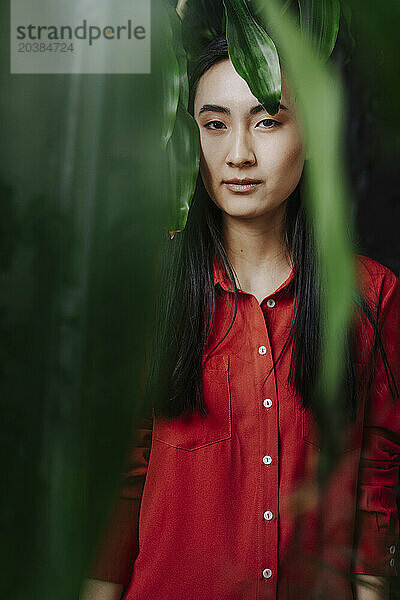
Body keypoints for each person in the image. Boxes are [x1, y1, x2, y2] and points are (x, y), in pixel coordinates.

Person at [80, 34, 400, 600]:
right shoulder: (148, 290)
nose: (240, 154)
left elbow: (377, 484)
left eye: (268, 120)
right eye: (215, 124)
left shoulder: (372, 296)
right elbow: (118, 485)